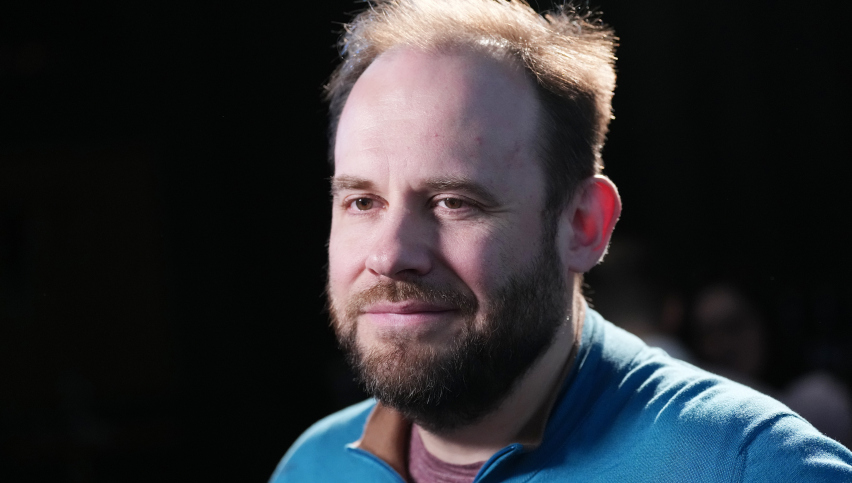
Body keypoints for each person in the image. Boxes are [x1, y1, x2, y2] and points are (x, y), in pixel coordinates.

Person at [270, 1, 852, 481]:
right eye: (362, 202)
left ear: (583, 226)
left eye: (454, 202)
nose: (391, 255)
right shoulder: (311, 468)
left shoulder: (751, 467)